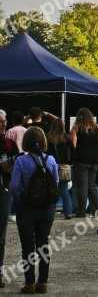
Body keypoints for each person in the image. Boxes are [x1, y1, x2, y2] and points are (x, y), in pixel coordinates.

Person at [11, 127, 58, 294]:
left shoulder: (21, 161)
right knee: (43, 243)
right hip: (47, 208)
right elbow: (56, 182)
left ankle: (29, 282)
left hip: (27, 206)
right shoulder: (50, 160)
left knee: (27, 245)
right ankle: (43, 282)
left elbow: (15, 185)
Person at [70, 107, 98, 218]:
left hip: (81, 160)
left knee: (82, 186)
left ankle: (81, 211)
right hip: (94, 160)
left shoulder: (76, 128)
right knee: (92, 185)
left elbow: (73, 145)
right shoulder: (96, 127)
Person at [0, 110, 19, 289]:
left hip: (3, 192)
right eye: (0, 122)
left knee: (1, 236)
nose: (3, 124)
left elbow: (16, 169)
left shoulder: (9, 144)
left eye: (4, 121)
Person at [46, 119, 74, 219]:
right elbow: (73, 151)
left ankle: (51, 212)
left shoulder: (49, 138)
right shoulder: (67, 138)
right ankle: (68, 212)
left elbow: (47, 152)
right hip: (64, 166)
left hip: (52, 165)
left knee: (52, 189)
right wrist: (70, 163)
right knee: (64, 190)